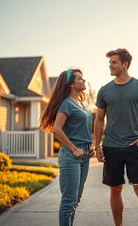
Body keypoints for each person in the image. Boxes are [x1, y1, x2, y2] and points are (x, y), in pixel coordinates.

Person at [94, 49, 138, 226]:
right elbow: (99, 119)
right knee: (115, 189)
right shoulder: (105, 90)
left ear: (125, 64)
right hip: (111, 147)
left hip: (133, 146)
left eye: (114, 62)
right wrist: (97, 146)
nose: (110, 66)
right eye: (110, 62)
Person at [40, 69, 94, 226]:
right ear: (71, 84)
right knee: (69, 201)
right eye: (80, 78)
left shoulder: (81, 104)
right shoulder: (66, 104)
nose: (84, 81)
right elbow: (57, 129)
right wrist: (74, 148)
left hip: (83, 154)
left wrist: (89, 146)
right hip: (71, 156)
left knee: (75, 200)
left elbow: (81, 129)